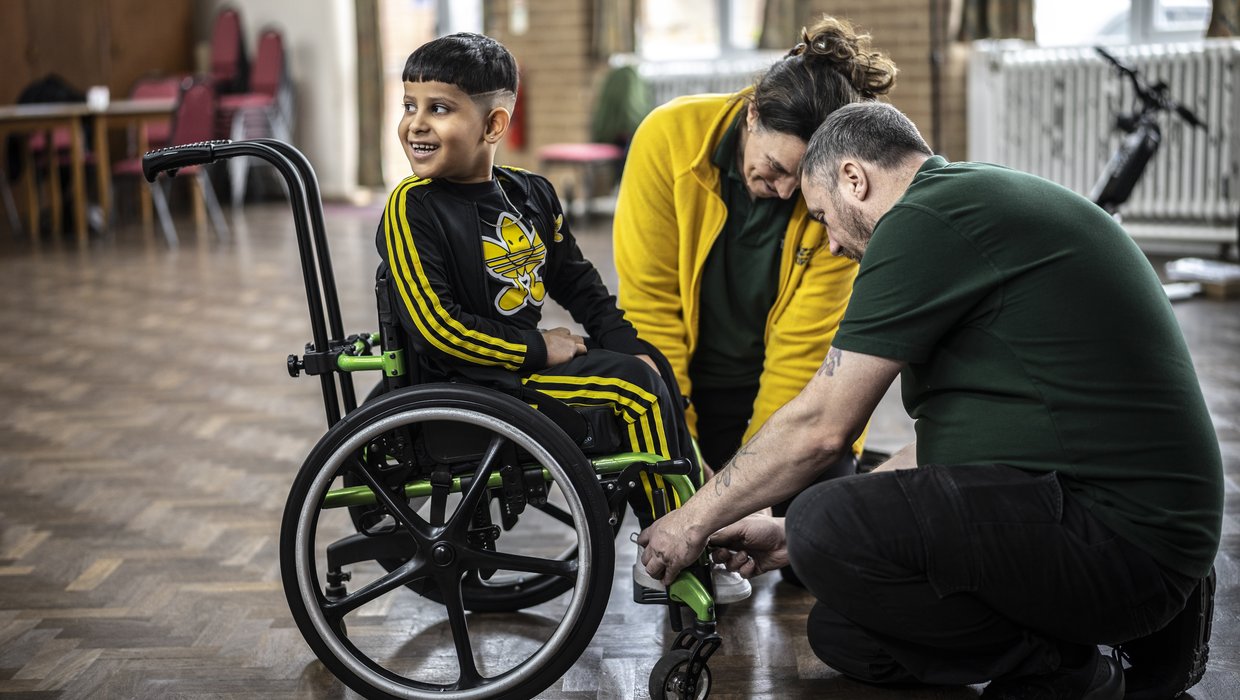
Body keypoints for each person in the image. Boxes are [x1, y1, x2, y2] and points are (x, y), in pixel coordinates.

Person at [637, 102, 1222, 699]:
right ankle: (1112, 642)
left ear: (853, 179)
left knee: (826, 517)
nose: (832, 244)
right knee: (846, 633)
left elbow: (823, 425)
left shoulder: (925, 218)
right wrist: (784, 536)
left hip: (1129, 538)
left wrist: (694, 519)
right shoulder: (962, 206)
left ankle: (1073, 670)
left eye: (821, 217)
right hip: (1095, 517)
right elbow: (947, 443)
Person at [374, 33, 750, 602]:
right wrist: (536, 349)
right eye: (410, 106)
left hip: (511, 377)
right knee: (635, 391)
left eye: (439, 108)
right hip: (459, 379)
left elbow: (576, 281)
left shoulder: (530, 194)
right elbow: (437, 329)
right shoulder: (412, 207)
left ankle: (699, 526)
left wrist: (626, 341)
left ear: (493, 125)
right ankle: (670, 556)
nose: (416, 125)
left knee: (650, 368)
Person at [612, 16, 896, 479]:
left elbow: (799, 359)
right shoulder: (666, 140)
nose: (786, 192)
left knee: (796, 530)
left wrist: (748, 487)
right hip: (686, 392)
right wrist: (678, 444)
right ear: (752, 113)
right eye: (774, 167)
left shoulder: (843, 205)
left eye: (803, 181)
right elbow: (651, 310)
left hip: (794, 407)